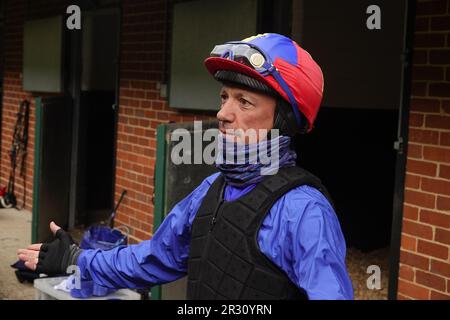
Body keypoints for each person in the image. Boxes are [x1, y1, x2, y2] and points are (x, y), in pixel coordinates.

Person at [18, 33, 354, 300]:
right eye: (224, 97)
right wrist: (76, 259)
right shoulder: (211, 191)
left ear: (283, 121)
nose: (223, 113)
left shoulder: (304, 210)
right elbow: (152, 258)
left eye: (244, 101)